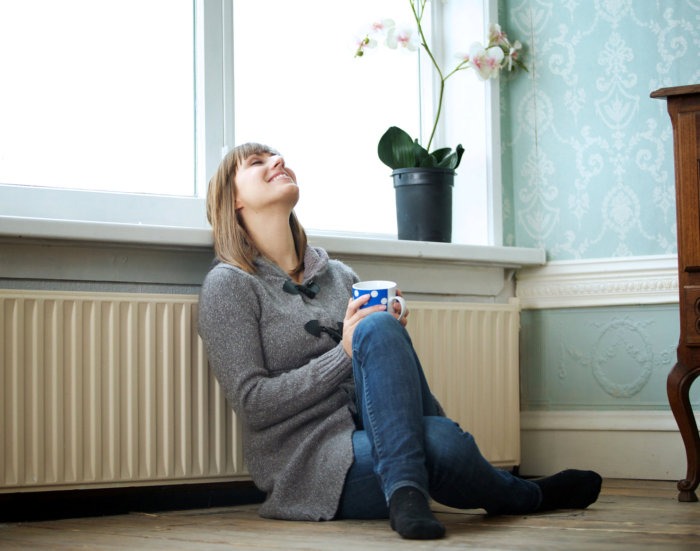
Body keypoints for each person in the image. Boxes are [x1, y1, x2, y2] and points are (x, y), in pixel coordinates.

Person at [197, 142, 602, 540]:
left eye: (277, 156)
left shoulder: (339, 276)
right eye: (257, 162)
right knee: (443, 443)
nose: (279, 161)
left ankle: (408, 495)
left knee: (380, 332)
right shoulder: (229, 285)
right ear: (232, 199)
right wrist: (344, 353)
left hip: (383, 435)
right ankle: (521, 495)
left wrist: (388, 334)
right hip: (313, 465)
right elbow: (253, 403)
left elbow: (374, 368)